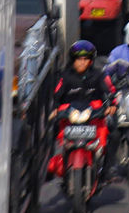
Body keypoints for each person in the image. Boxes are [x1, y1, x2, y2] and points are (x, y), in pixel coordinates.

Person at [49, 40, 117, 175]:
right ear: (73, 60)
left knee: (114, 134)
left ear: (91, 61)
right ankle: (52, 166)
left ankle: (107, 170)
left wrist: (113, 105)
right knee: (51, 131)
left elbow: (109, 90)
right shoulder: (65, 76)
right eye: (79, 59)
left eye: (86, 59)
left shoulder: (99, 75)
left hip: (94, 116)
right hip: (70, 116)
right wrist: (55, 109)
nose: (82, 63)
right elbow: (56, 95)